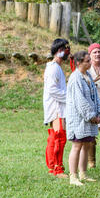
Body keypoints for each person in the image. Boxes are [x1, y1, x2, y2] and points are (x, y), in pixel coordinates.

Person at [66, 51, 100, 186]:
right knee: (77, 145)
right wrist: (91, 116)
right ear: (79, 63)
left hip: (90, 118)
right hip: (79, 119)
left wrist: (99, 112)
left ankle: (83, 173)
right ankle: (73, 176)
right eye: (87, 61)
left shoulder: (87, 75)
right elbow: (80, 101)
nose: (90, 63)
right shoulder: (75, 78)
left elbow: (95, 97)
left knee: (86, 145)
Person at [43, 38, 70, 179]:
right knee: (59, 137)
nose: (67, 52)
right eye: (66, 49)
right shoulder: (53, 68)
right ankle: (56, 168)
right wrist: (69, 98)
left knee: (56, 137)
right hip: (56, 108)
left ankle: (53, 166)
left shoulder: (56, 67)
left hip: (59, 107)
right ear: (59, 51)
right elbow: (52, 89)